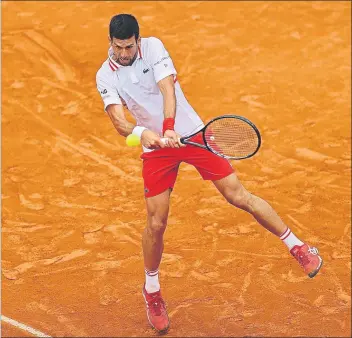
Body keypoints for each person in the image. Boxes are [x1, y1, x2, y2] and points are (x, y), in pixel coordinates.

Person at [96, 14, 323, 334]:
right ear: (111, 43)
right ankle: (152, 290)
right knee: (156, 221)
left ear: (138, 40)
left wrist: (170, 127)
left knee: (237, 195)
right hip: (157, 149)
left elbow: (166, 90)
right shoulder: (106, 75)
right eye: (118, 47)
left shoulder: (153, 47)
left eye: (128, 46)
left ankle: (298, 247)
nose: (123, 53)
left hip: (193, 134)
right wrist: (142, 133)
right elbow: (119, 122)